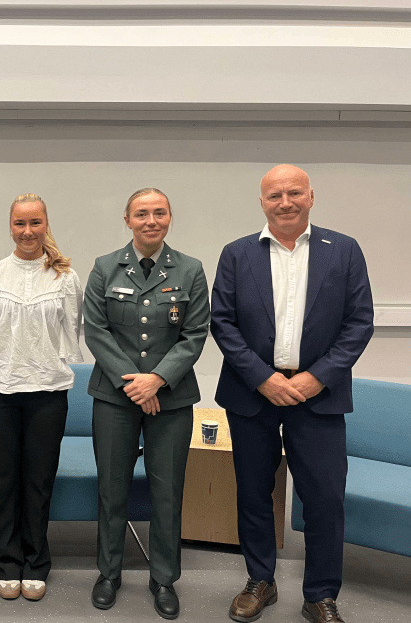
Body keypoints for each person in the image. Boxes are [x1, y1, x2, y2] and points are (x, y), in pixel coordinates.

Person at [211, 164, 373, 623]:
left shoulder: (343, 250)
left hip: (317, 396)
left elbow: (359, 322)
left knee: (324, 498)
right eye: (275, 195)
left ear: (311, 196)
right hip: (253, 393)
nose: (285, 202)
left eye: (294, 193)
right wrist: (263, 378)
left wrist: (316, 377)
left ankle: (320, 594)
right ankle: (260, 580)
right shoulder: (237, 253)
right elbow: (222, 322)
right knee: (253, 493)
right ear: (262, 202)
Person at [83, 188, 210, 620]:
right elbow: (96, 330)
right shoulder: (105, 267)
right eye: (141, 213)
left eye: (159, 212)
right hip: (114, 398)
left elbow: (195, 334)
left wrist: (156, 380)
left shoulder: (190, 269)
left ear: (169, 218)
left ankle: (164, 579)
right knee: (112, 488)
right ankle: (109, 574)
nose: (150, 220)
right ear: (127, 219)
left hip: (171, 399)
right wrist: (135, 384)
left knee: (167, 492)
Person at [0, 193, 83, 602]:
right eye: (20, 223)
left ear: (46, 224)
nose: (28, 231)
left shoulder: (65, 278)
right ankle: (6, 561)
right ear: (10, 226)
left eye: (35, 222)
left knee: (38, 481)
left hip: (48, 392)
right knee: (5, 480)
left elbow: (71, 336)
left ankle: (36, 562)